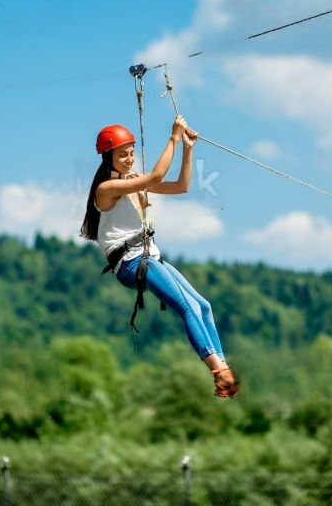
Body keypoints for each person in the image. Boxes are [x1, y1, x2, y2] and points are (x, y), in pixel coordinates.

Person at [80, 115, 240, 398]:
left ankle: (222, 364)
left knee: (203, 306)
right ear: (108, 158)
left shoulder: (131, 182)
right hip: (131, 263)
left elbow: (181, 186)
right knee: (185, 308)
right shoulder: (106, 189)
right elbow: (155, 177)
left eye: (131, 154)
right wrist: (173, 138)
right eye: (122, 155)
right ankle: (218, 372)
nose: (129, 160)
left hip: (148, 256)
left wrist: (188, 148)